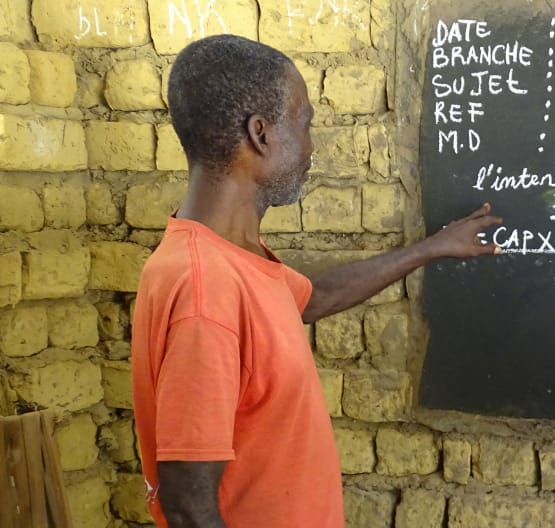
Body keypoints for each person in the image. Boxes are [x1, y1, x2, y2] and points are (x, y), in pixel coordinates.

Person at [130, 34, 500, 527]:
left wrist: (431, 248)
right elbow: (187, 505)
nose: (311, 147)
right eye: (304, 125)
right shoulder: (206, 291)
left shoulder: (231, 261)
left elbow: (313, 297)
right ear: (260, 134)